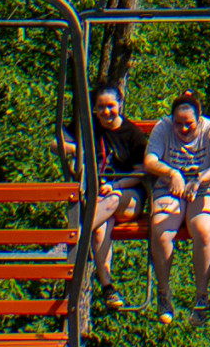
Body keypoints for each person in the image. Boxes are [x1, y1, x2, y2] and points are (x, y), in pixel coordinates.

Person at [146, 89, 210, 317]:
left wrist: (201, 178)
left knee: (203, 228)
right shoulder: (163, 128)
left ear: (199, 119)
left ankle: (201, 295)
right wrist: (172, 173)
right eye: (178, 124)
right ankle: (164, 291)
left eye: (189, 123)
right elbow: (150, 160)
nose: (184, 129)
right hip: (172, 187)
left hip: (205, 186)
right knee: (160, 230)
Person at [65, 82, 157, 290]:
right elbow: (56, 144)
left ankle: (73, 238)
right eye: (101, 107)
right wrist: (80, 149)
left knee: (113, 199)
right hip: (99, 202)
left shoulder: (131, 134)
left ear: (120, 104)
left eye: (111, 106)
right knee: (99, 230)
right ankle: (108, 287)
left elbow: (141, 172)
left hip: (129, 197)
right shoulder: (89, 128)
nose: (106, 112)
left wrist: (117, 185)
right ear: (95, 108)